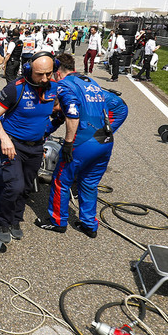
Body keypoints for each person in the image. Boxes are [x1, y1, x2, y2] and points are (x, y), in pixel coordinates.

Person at [36, 54, 128, 238]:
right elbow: (119, 107)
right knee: (89, 183)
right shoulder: (90, 82)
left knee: (61, 181)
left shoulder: (64, 85)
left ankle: (58, 222)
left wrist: (68, 144)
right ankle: (89, 225)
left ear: (58, 73)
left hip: (83, 142)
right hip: (105, 142)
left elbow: (72, 113)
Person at [0, 52, 58, 243]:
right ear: (28, 71)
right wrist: (4, 139)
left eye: (48, 74)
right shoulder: (14, 89)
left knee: (26, 187)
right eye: (39, 74)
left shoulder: (54, 89)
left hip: (36, 147)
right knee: (15, 186)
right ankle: (3, 222)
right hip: (13, 145)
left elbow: (58, 109)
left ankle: (15, 220)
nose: (44, 79)